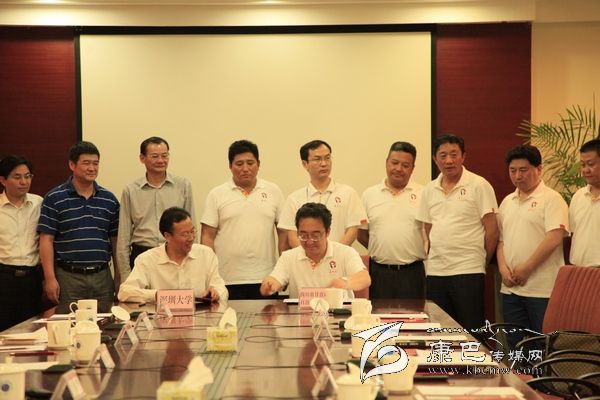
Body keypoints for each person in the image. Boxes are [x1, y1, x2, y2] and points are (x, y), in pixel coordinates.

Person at [416, 134, 499, 330]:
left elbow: (492, 230)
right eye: (443, 155)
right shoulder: (429, 189)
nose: (449, 160)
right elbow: (427, 227)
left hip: (468, 270)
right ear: (435, 159)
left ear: (463, 156)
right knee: (439, 331)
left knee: (471, 330)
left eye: (454, 154)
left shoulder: (479, 185)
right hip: (436, 271)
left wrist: (481, 260)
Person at [497, 144, 568, 344]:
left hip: (542, 290)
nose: (517, 176)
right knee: (515, 344)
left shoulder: (552, 199)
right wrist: (503, 270)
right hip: (511, 290)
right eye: (513, 170)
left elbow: (554, 238)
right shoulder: (507, 201)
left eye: (523, 170)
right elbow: (501, 241)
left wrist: (526, 269)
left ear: (539, 169)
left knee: (542, 344)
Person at [201, 140, 285, 299]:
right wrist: (210, 276)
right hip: (226, 279)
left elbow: (283, 234)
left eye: (250, 163)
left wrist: (281, 273)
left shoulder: (273, 191)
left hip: (266, 279)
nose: (245, 168)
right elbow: (207, 237)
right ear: (230, 166)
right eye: (239, 164)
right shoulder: (216, 194)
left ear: (258, 164)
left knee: (267, 316)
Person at [38, 141, 120, 305]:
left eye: (95, 163)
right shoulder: (54, 198)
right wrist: (50, 278)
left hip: (102, 276)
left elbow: (115, 240)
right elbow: (46, 239)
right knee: (67, 320)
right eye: (86, 163)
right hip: (68, 277)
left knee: (105, 320)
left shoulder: (109, 199)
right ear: (72, 165)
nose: (92, 168)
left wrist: (119, 275)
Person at [117, 136, 195, 283]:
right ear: (142, 158)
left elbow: (191, 227)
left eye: (164, 156)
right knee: (143, 297)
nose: (161, 160)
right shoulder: (131, 190)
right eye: (154, 156)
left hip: (175, 254)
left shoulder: (183, 185)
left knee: (175, 297)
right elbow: (123, 237)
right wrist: (125, 275)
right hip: (142, 254)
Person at [358, 142, 427, 299]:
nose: (399, 169)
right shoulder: (369, 195)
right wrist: (384, 250)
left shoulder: (424, 194)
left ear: (412, 168)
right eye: (394, 163)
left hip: (412, 273)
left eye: (405, 165)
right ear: (386, 163)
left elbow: (431, 232)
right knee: (378, 314)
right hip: (378, 273)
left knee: (415, 314)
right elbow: (361, 235)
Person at [261, 203, 370, 299]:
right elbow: (275, 279)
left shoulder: (346, 253)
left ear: (327, 232)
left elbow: (365, 278)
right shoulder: (288, 257)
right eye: (303, 235)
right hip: (301, 314)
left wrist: (344, 283)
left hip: (338, 313)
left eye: (315, 235)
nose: (309, 241)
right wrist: (269, 285)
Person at [118, 207, 227, 303]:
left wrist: (216, 292)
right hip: (162, 318)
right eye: (185, 234)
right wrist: (156, 295)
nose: (191, 238)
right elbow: (124, 292)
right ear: (167, 236)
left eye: (192, 231)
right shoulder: (147, 259)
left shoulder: (205, 254)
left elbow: (222, 289)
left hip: (200, 316)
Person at [277, 140, 366, 248]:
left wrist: (334, 253)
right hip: (305, 257)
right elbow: (292, 235)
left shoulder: (348, 193)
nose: (324, 163)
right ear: (305, 164)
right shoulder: (294, 198)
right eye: (317, 159)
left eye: (327, 158)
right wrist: (308, 255)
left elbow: (353, 230)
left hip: (339, 257)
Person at [0, 155, 43, 331]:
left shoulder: (39, 203)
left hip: (32, 278)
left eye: (28, 176)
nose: (24, 182)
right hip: (4, 277)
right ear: (3, 180)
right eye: (17, 177)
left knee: (32, 330)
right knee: (4, 331)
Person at [569, 138, 600, 267]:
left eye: (590, 164)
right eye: (583, 165)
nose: (586, 170)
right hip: (579, 270)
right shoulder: (578, 196)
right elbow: (573, 233)